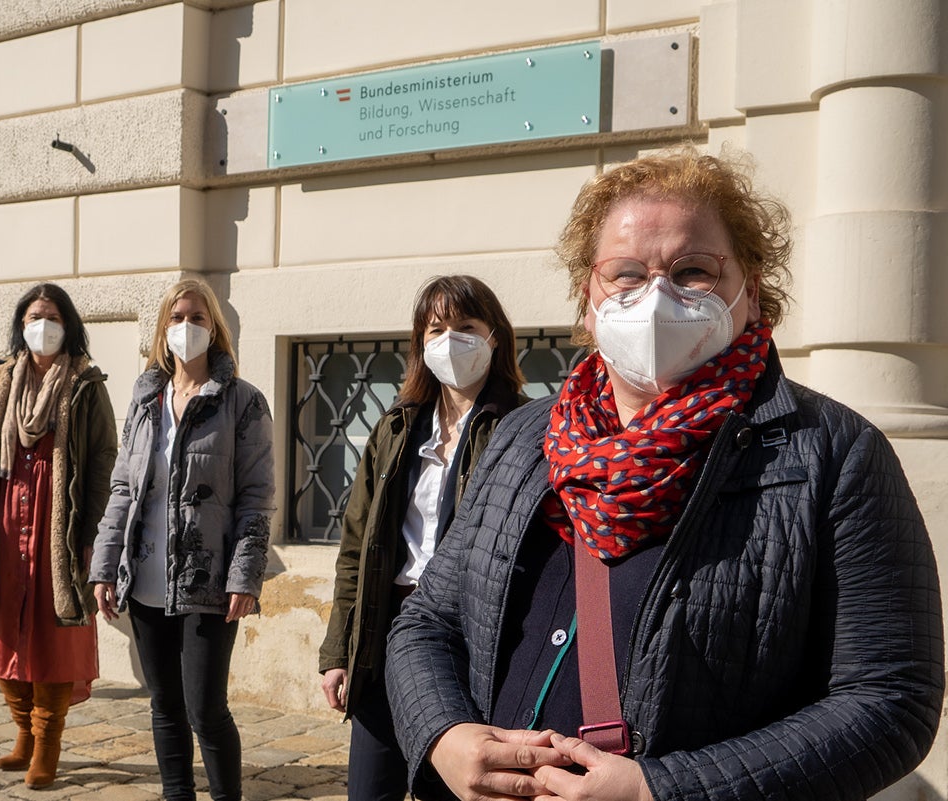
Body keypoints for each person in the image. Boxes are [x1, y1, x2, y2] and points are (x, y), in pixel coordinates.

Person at [385, 148, 944, 801]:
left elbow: (889, 700)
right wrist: (446, 737)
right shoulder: (521, 437)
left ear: (750, 290)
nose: (655, 297)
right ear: (588, 302)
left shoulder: (834, 454)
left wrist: (660, 790)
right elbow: (428, 621)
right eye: (625, 273)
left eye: (693, 271)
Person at [317, 275, 526, 800]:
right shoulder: (395, 428)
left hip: (466, 635)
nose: (451, 339)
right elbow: (356, 547)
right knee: (370, 790)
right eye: (437, 328)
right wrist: (338, 649)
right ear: (420, 342)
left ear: (494, 337)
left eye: (466, 326)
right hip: (387, 628)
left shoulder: (522, 427)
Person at [91, 278, 275, 801]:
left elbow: (257, 498)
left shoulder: (243, 401)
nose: (186, 328)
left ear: (214, 328)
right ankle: (176, 794)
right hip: (146, 576)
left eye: (197, 318)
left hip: (207, 580)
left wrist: (246, 575)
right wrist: (105, 565)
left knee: (205, 710)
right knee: (164, 704)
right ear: (162, 330)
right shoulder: (145, 397)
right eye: (177, 319)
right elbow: (123, 486)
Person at [0, 282, 118, 790]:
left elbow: (103, 464)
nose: (41, 326)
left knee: (52, 638)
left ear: (68, 325)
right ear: (19, 326)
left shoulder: (86, 383)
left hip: (56, 527)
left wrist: (94, 533)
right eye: (31, 317)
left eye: (51, 317)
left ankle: (48, 744)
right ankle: (22, 734)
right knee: (0, 630)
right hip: (1, 525)